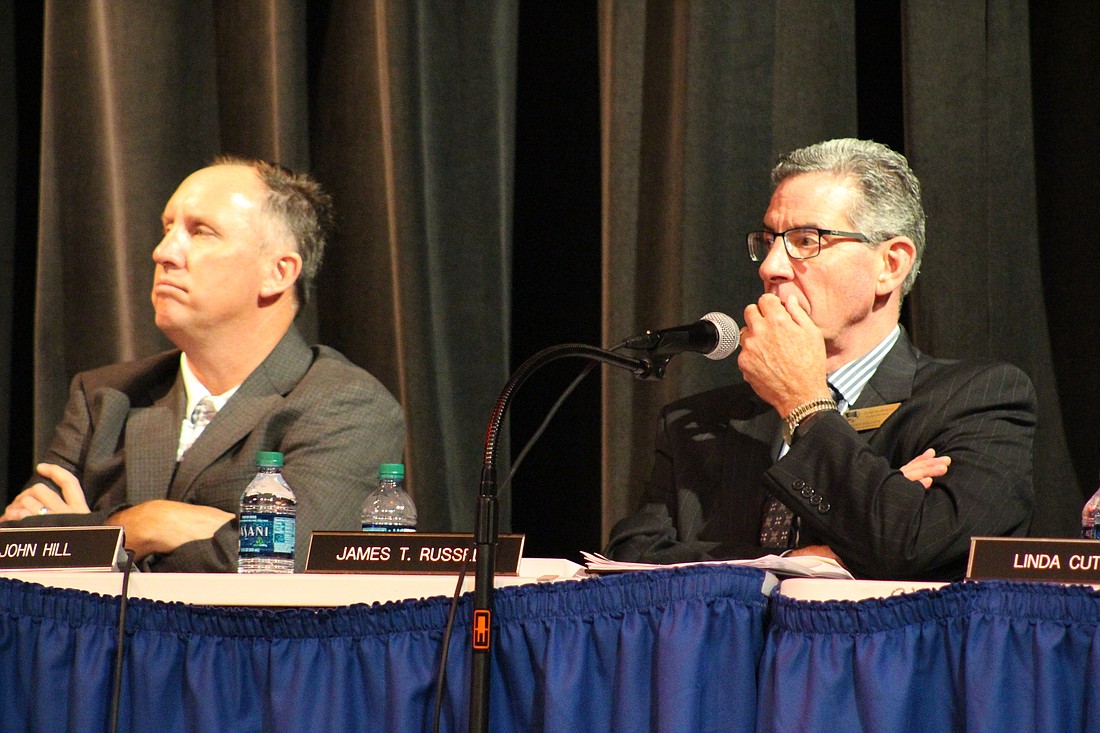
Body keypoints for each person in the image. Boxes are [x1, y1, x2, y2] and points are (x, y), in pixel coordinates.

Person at [605, 138, 1035, 581]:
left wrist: (803, 403)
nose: (771, 266)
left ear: (890, 263)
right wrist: (796, 564)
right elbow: (629, 558)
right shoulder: (697, 422)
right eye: (770, 240)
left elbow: (919, 545)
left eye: (806, 241)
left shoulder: (979, 399)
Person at [0, 157, 405, 572]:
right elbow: (23, 552)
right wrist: (145, 523)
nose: (163, 252)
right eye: (167, 228)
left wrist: (95, 534)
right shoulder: (105, 396)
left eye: (201, 232)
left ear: (277, 272)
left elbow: (277, 566)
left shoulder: (346, 405)